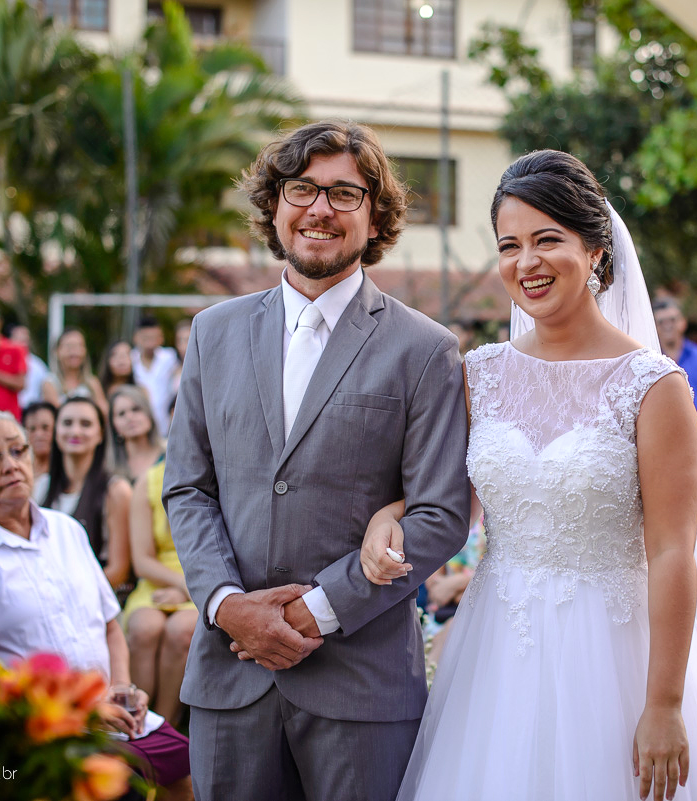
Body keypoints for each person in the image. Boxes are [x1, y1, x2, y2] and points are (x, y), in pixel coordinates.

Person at [363, 151, 697, 801]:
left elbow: (672, 551)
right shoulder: (481, 373)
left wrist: (663, 703)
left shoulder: (654, 385)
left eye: (548, 239)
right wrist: (389, 515)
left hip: (616, 653)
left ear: (597, 251)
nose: (527, 263)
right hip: (500, 648)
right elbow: (449, 502)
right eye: (509, 245)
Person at [164, 120, 470, 801]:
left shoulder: (424, 349)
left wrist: (320, 609)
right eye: (302, 188)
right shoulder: (212, 332)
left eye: (344, 193)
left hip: (359, 686)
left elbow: (440, 514)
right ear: (275, 204)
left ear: (375, 214)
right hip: (230, 676)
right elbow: (187, 486)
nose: (320, 209)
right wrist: (225, 604)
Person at [0, 411, 191, 799]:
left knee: (189, 769)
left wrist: (122, 686)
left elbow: (108, 624)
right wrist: (81, 710)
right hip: (41, 724)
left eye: (17, 451)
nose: (10, 465)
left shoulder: (66, 528)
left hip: (112, 710)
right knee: (124, 791)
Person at [123, 402, 195, 729]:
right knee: (144, 628)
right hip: (157, 579)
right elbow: (142, 560)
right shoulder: (148, 481)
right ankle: (135, 721)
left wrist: (189, 588)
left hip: (202, 580)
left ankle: (165, 727)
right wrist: (178, 585)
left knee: (181, 632)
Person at [41, 397, 132, 591]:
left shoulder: (116, 490)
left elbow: (118, 570)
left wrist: (68, 594)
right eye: (67, 423)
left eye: (86, 424)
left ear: (100, 434)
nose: (75, 431)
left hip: (97, 599)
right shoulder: (40, 487)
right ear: (55, 431)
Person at [652, 297, 697, 439]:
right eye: (661, 322)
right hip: (663, 440)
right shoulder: (650, 361)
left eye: (672, 320)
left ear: (683, 322)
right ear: (654, 326)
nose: (667, 326)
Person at [132, 318, 177, 436]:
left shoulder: (170, 358)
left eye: (153, 337)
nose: (149, 342)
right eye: (145, 337)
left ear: (161, 337)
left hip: (166, 426)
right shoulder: (130, 359)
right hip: (138, 426)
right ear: (136, 337)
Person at [109, 384, 164, 482]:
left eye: (136, 409)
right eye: (121, 413)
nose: (129, 417)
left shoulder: (169, 455)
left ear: (149, 414)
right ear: (114, 425)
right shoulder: (109, 469)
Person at [42, 327, 107, 409]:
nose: (74, 351)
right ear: (57, 351)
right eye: (69, 346)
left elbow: (104, 412)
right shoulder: (50, 384)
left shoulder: (93, 383)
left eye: (79, 346)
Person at [6, 323, 49, 411]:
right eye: (19, 339)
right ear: (10, 340)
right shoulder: (4, 362)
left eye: (25, 340)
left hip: (32, 411)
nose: (23, 344)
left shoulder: (38, 365)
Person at [21, 401, 56, 492]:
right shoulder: (20, 472)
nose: (39, 435)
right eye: (32, 429)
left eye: (45, 428)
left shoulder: (68, 473)